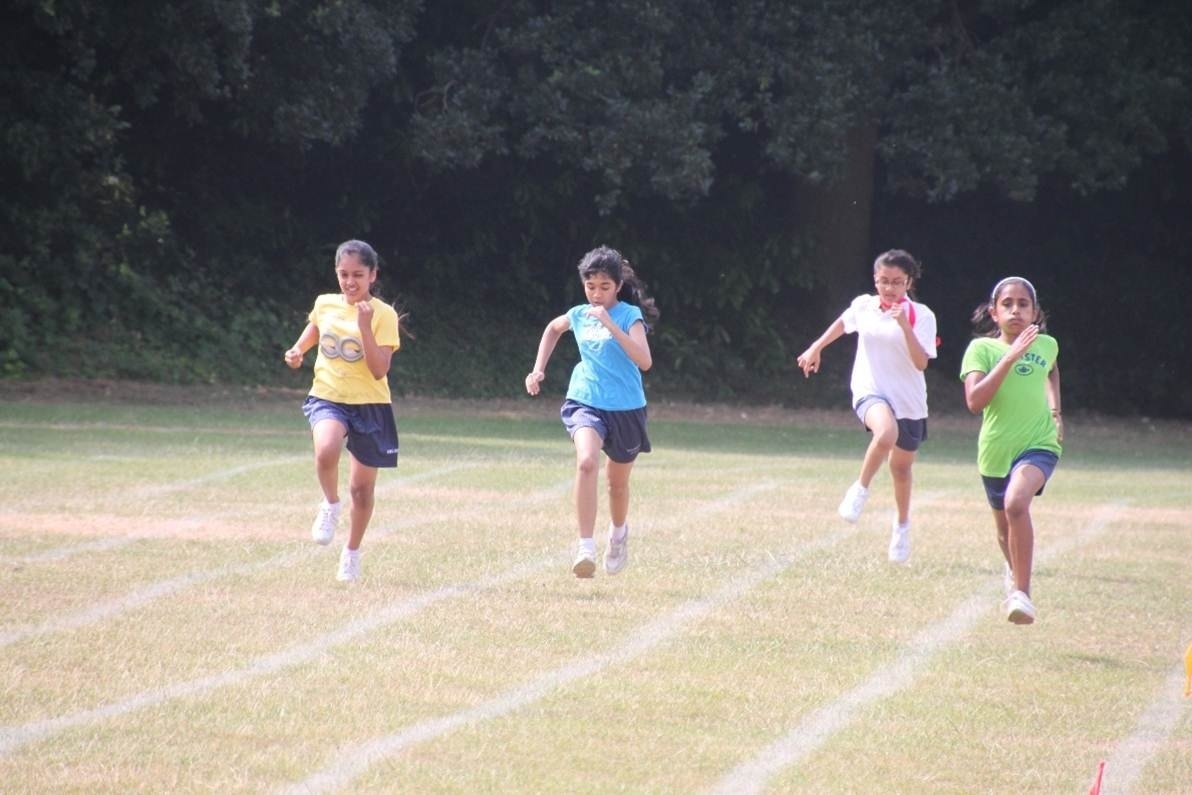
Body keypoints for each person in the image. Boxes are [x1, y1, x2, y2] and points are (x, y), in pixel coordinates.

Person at [525, 245, 659, 578]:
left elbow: (644, 361)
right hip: (585, 399)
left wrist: (611, 325)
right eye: (590, 286)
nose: (596, 294)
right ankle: (585, 546)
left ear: (618, 286)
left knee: (617, 485)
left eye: (604, 287)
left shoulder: (629, 316)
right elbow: (553, 329)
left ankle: (618, 533)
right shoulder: (579, 313)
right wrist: (538, 369)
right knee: (586, 462)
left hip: (626, 408)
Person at [796, 249, 938, 563]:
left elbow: (920, 363)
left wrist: (904, 326)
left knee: (901, 469)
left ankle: (901, 526)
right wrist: (816, 347)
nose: (889, 288)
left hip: (909, 401)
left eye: (897, 282)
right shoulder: (865, 305)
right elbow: (843, 323)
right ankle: (860, 489)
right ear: (875, 280)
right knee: (885, 433)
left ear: (908, 282)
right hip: (870, 391)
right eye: (884, 281)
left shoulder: (922, 315)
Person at [284, 239, 402, 582]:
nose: (350, 282)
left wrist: (364, 326)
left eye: (358, 275)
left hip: (370, 404)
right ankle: (330, 504)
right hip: (329, 396)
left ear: (372, 275)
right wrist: (298, 350)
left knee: (361, 491)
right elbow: (316, 327)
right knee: (326, 449)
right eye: (343, 274)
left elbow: (379, 370)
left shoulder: (383, 315)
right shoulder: (325, 303)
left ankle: (351, 552)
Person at [960, 276, 1062, 625]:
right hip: (995, 451)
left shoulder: (1047, 344)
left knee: (1016, 503)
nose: (1015, 310)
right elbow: (975, 402)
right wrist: (1010, 356)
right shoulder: (981, 350)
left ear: (1035, 312)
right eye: (1007, 304)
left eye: (1023, 304)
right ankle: (1013, 569)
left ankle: (1022, 594)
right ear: (994, 312)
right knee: (1004, 529)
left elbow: (1052, 371)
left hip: (1039, 444)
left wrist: (1055, 412)